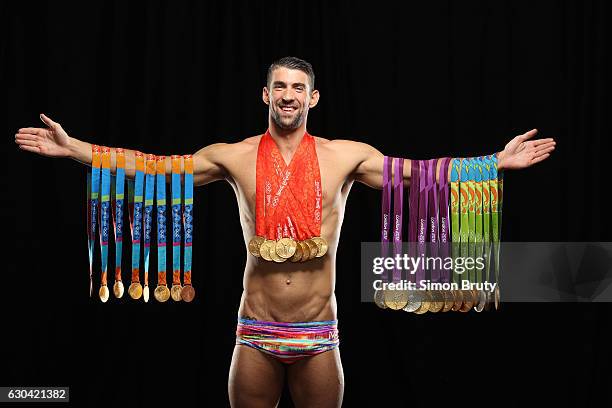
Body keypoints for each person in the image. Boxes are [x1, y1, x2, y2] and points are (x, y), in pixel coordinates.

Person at [14, 56, 556, 408]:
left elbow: (418, 174)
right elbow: (161, 168)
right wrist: (77, 150)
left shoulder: (348, 157)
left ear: (313, 98)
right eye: (280, 86)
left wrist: (494, 163)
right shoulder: (235, 156)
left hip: (319, 334)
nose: (289, 94)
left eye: (299, 87)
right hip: (255, 331)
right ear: (266, 96)